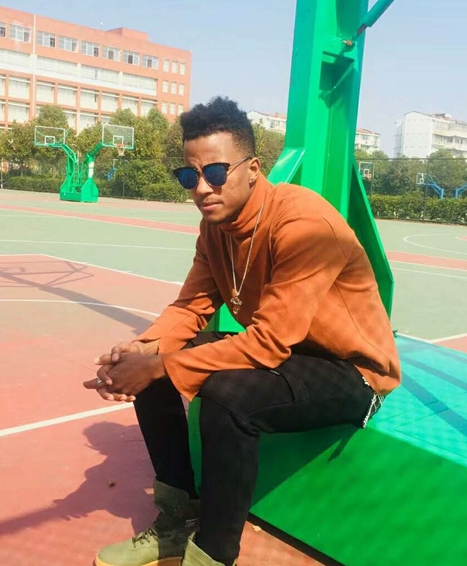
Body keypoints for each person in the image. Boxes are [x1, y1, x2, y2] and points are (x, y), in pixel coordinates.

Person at [83, 97, 401, 566]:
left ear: (252, 169)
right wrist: (142, 348)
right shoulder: (215, 227)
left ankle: (213, 555)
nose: (201, 189)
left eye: (215, 173)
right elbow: (191, 307)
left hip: (350, 369)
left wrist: (160, 364)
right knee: (154, 364)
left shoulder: (304, 223)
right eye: (190, 176)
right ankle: (177, 517)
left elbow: (269, 341)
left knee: (225, 396)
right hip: (288, 353)